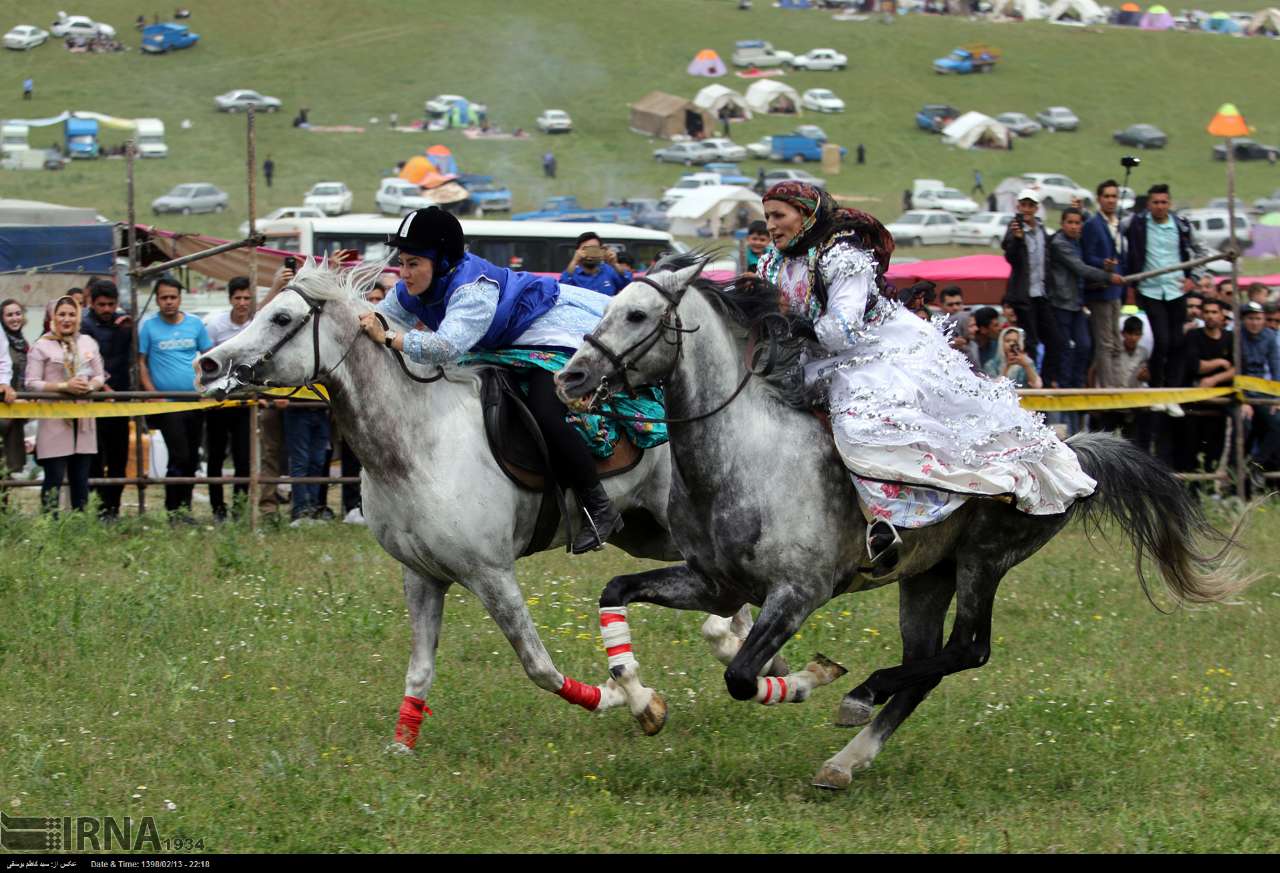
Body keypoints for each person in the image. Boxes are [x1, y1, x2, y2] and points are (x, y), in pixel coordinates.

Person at [755, 182, 1095, 573]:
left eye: (779, 216)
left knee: (861, 426)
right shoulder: (771, 263)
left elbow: (843, 330)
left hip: (872, 352)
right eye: (767, 217)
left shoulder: (842, 257)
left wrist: (795, 327)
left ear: (806, 215)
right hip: (804, 358)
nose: (772, 225)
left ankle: (887, 519)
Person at [357, 207, 623, 553]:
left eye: (413, 263)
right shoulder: (413, 288)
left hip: (543, 331)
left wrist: (390, 338)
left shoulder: (473, 288)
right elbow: (378, 316)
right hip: (496, 346)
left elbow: (444, 346)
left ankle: (599, 507)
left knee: (545, 409)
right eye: (402, 262)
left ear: (440, 262)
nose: (403, 274)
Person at [1125, 183, 1213, 418]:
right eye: (1156, 202)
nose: (1160, 206)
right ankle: (1156, 391)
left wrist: (1193, 277)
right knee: (1162, 340)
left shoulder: (1181, 225)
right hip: (1150, 288)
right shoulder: (1138, 224)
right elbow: (1116, 233)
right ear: (1149, 204)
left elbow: (1202, 251)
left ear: (1169, 203)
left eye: (1164, 202)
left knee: (1177, 341)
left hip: (1176, 288)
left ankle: (1171, 394)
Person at [138, 275, 212, 521]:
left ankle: (185, 508)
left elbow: (208, 357)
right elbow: (141, 363)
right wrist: (152, 394)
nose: (168, 302)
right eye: (164, 298)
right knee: (178, 454)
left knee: (192, 457)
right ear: (157, 300)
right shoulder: (148, 327)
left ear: (180, 298)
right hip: (168, 404)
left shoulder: (195, 324)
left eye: (173, 297)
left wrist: (205, 387)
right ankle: (172, 510)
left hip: (194, 401)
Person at [26, 297, 105, 512]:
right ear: (53, 317)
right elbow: (31, 384)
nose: (67, 319)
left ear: (78, 316)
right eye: (62, 314)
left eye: (71, 314)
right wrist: (63, 386)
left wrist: (90, 387)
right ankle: (49, 526)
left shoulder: (88, 342)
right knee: (54, 478)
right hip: (54, 420)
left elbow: (100, 375)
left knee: (81, 479)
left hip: (84, 419)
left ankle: (79, 525)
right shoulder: (41, 346)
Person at [1048, 207, 1125, 392]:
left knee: (1085, 345)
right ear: (1062, 224)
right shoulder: (1060, 244)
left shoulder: (1077, 242)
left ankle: (1078, 383)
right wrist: (1107, 277)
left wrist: (1103, 266)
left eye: (1077, 223)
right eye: (1070, 223)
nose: (1074, 227)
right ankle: (1065, 386)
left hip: (1076, 303)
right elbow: (1080, 268)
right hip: (1061, 303)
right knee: (1066, 348)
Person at [80, 279, 133, 519]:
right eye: (101, 304)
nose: (106, 310)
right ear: (92, 303)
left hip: (119, 401)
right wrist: (104, 387)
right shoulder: (83, 327)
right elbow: (87, 363)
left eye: (111, 304)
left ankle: (113, 508)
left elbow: (133, 358)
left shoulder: (124, 324)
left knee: (118, 456)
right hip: (93, 401)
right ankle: (98, 508)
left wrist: (129, 329)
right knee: (94, 457)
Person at [204, 277, 255, 520]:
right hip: (218, 402)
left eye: (247, 298)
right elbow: (206, 362)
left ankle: (238, 508)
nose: (243, 303)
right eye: (238, 298)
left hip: (245, 401)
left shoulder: (256, 325)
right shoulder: (215, 325)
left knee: (243, 457)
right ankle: (217, 509)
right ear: (230, 299)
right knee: (215, 456)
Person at [1002, 189, 1063, 387]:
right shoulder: (1014, 229)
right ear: (1018, 206)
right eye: (1023, 205)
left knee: (1055, 340)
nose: (1027, 209)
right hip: (1023, 295)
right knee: (1031, 342)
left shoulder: (1041, 230)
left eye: (1031, 205)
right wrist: (1019, 239)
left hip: (1042, 293)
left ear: (1036, 208)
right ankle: (1030, 381)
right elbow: (1011, 257)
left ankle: (1045, 379)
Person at [1081, 179, 1126, 389]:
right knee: (1105, 342)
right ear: (1099, 199)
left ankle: (1119, 383)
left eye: (1114, 196)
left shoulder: (1119, 223)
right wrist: (1103, 265)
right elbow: (1087, 257)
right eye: (1106, 196)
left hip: (1116, 290)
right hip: (1100, 290)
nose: (1110, 200)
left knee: (1117, 342)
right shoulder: (1092, 224)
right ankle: (1109, 387)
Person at [1, 300, 27, 482]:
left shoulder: (23, 342)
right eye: (9, 315)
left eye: (18, 313)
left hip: (17, 408)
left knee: (9, 464)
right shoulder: (3, 341)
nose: (14, 318)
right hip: (3, 404)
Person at [559, 232, 632, 296]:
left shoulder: (609, 271)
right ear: (577, 251)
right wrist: (574, 261)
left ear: (601, 251)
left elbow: (628, 285)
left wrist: (615, 264)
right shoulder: (572, 274)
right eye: (585, 249)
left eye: (594, 249)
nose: (590, 253)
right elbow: (562, 290)